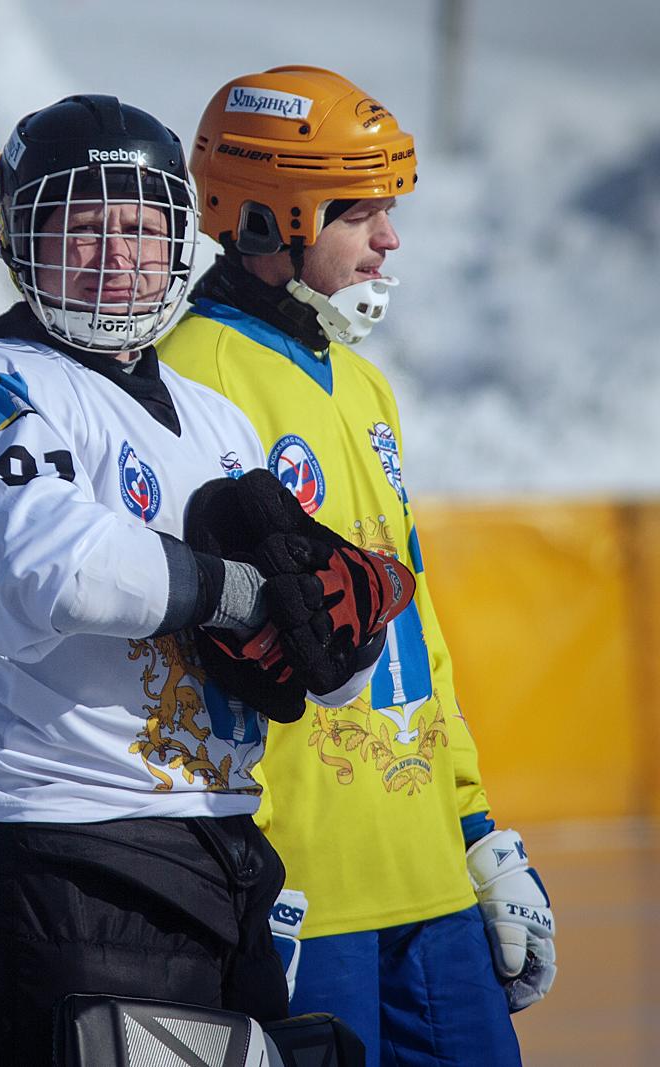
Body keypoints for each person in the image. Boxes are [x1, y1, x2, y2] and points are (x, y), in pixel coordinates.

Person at [0, 94, 411, 1066]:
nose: (119, 255)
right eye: (85, 227)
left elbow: (323, 666)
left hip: (222, 847)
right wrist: (240, 593)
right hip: (62, 853)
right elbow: (50, 567)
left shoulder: (215, 417)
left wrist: (338, 631)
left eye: (142, 228)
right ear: (24, 239)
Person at [157, 65, 555, 1065]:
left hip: (427, 884)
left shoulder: (365, 385)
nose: (388, 238)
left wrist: (475, 827)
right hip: (300, 895)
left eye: (387, 209)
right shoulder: (189, 381)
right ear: (261, 220)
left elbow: (412, 631)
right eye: (357, 212)